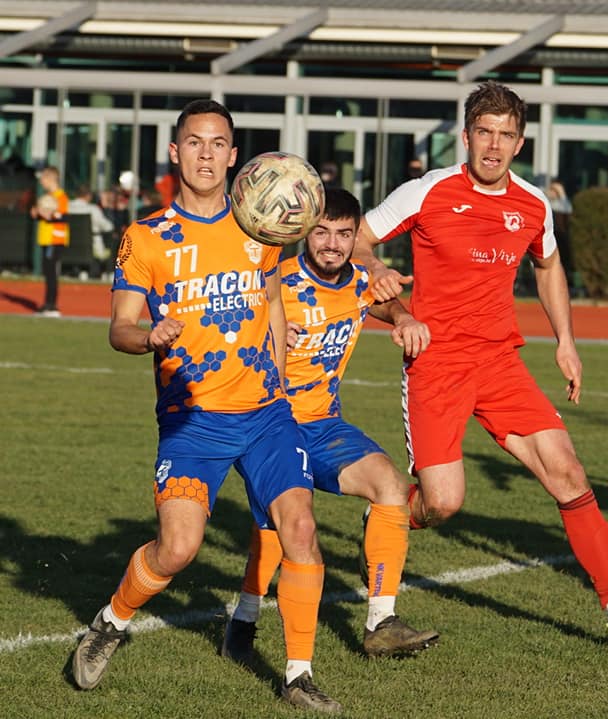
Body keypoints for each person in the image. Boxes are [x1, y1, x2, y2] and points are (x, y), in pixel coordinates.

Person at [351, 80, 608, 652]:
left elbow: (548, 266)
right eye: (484, 133)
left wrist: (566, 341)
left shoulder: (532, 204)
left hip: (501, 362)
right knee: (444, 502)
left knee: (568, 471)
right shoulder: (428, 191)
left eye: (506, 135)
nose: (494, 146)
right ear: (467, 136)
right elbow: (356, 239)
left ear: (520, 141)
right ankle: (388, 518)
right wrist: (381, 278)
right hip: (437, 363)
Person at [69, 99, 341, 713]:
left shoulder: (259, 224)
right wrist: (150, 337)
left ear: (235, 156)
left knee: (299, 527)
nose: (206, 155)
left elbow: (272, 296)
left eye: (218, 144)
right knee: (179, 549)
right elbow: (120, 327)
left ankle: (298, 675)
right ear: (174, 151)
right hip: (192, 421)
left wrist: (281, 347)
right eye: (195, 142)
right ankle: (111, 621)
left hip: (266, 413)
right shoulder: (148, 236)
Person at [221, 188, 439, 661]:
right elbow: (229, 333)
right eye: (321, 232)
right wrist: (269, 333)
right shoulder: (275, 282)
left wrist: (401, 315)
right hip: (269, 425)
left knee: (390, 485)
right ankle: (245, 619)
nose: (332, 244)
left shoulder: (360, 279)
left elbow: (377, 301)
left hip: (323, 424)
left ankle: (381, 621)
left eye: (344, 234)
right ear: (304, 232)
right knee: (279, 529)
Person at [30, 166, 69, 316]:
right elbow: (46, 216)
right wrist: (37, 214)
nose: (41, 182)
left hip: (55, 239)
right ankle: (47, 304)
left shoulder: (60, 197)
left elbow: (64, 217)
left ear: (51, 179)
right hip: (46, 239)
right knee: (47, 272)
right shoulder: (48, 196)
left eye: (43, 179)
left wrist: (49, 215)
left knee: (52, 272)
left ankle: (52, 306)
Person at [68, 185, 115, 276]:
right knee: (112, 242)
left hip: (69, 246)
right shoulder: (93, 209)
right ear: (88, 196)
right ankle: (108, 272)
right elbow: (108, 227)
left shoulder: (67, 206)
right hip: (92, 247)